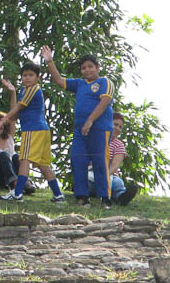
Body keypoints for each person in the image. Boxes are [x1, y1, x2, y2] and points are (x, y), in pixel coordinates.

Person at [42, 46, 115, 208]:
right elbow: (59, 80)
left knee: (100, 161)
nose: (87, 70)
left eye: (90, 66)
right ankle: (82, 197)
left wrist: (90, 121)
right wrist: (50, 61)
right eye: (83, 68)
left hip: (100, 128)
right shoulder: (80, 84)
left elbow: (105, 101)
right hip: (80, 130)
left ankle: (105, 198)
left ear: (98, 67)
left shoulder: (105, 82)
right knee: (78, 159)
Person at [0, 64, 64, 202]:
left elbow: (19, 107)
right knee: (42, 164)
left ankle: (17, 193)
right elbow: (16, 112)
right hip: (41, 130)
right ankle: (58, 194)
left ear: (38, 77)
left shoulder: (33, 89)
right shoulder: (24, 91)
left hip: (33, 129)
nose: (27, 78)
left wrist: (4, 119)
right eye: (24, 75)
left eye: (31, 75)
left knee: (24, 159)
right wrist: (13, 92)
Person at [89, 112, 139, 206]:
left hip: (110, 175)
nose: (117, 128)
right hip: (92, 173)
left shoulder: (119, 145)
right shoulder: (95, 139)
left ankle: (121, 197)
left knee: (117, 183)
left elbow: (115, 165)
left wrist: (105, 176)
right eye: (115, 124)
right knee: (87, 182)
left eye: (120, 127)